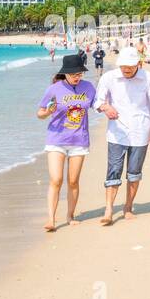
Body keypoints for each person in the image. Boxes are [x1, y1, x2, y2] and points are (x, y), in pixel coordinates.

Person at [94, 46, 150, 226]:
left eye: (130, 67)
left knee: (134, 172)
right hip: (117, 132)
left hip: (141, 130)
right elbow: (98, 100)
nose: (126, 70)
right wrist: (105, 107)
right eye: (123, 66)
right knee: (113, 171)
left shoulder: (149, 78)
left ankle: (128, 207)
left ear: (138, 64)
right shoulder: (109, 77)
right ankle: (109, 210)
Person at [37, 54, 96, 232]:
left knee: (73, 181)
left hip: (79, 140)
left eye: (80, 74)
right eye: (73, 74)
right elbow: (39, 113)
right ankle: (51, 219)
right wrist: (48, 112)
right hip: (57, 139)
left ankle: (70, 216)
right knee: (56, 179)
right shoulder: (54, 89)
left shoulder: (89, 87)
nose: (77, 77)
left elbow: (98, 104)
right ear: (65, 74)